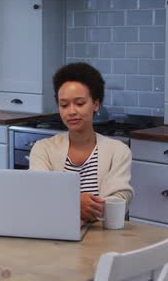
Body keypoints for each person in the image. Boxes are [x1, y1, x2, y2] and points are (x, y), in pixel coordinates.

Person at [29, 62, 133, 224]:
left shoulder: (118, 151)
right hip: (54, 233)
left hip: (102, 238)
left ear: (96, 104)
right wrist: (75, 202)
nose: (71, 111)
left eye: (79, 103)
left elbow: (120, 198)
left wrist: (67, 202)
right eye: (64, 105)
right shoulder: (43, 149)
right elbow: (38, 192)